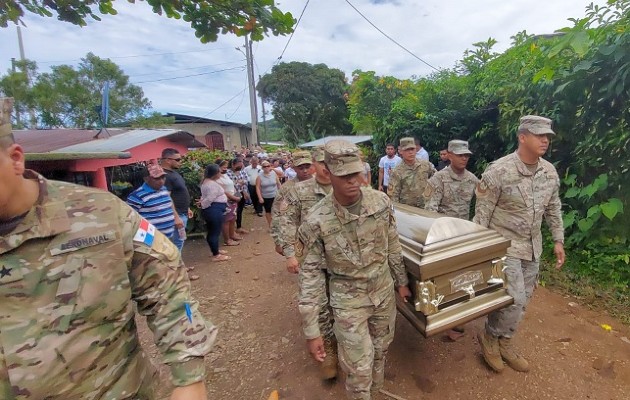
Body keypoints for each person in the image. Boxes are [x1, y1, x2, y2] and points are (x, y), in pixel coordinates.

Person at [0, 99, 216, 399]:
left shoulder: (101, 214)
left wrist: (189, 377)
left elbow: (171, 292)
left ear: (15, 159)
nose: (162, 176)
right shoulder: (136, 198)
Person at [296, 139, 411, 400]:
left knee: (380, 352)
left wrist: (401, 281)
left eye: (355, 173)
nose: (352, 181)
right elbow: (310, 277)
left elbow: (393, 244)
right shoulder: (316, 220)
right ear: (327, 173)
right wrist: (311, 330)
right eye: (344, 175)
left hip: (382, 294)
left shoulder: (380, 202)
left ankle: (375, 391)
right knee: (358, 366)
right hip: (348, 301)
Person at [473, 115, 565, 373]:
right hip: (504, 245)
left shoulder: (549, 172)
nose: (545, 140)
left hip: (533, 247)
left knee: (524, 300)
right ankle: (490, 337)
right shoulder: (499, 171)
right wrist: (479, 253)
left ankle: (505, 341)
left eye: (547, 136)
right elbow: (481, 216)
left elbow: (553, 208)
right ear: (522, 137)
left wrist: (558, 239)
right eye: (539, 135)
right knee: (513, 298)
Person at [270, 150, 313, 254]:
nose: (305, 170)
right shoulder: (286, 188)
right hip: (297, 237)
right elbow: (277, 214)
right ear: (293, 168)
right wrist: (278, 242)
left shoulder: (321, 184)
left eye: (308, 166)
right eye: (301, 168)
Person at [424, 140, 479, 220]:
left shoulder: (472, 179)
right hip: (442, 226)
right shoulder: (438, 178)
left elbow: (485, 202)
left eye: (466, 155)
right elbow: (430, 209)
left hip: (463, 227)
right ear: (450, 156)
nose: (464, 158)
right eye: (460, 155)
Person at [126, 163, 176, 239]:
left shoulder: (164, 189)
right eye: (157, 178)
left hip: (168, 237)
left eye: (163, 177)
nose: (161, 181)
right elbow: (129, 220)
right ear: (146, 179)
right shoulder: (136, 196)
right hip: (151, 240)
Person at [388, 137, 435, 208]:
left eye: (412, 149)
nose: (410, 152)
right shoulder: (397, 172)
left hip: (426, 208)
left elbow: (436, 180)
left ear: (416, 149)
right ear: (401, 151)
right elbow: (393, 197)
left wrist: (430, 194)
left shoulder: (426, 165)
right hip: (408, 212)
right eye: (407, 150)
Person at [161, 148, 193, 252]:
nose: (181, 162)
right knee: (176, 244)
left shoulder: (173, 173)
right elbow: (167, 198)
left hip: (182, 213)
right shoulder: (165, 176)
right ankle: (175, 267)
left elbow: (179, 192)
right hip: (176, 215)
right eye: (178, 160)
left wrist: (187, 208)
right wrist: (176, 217)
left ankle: (178, 266)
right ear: (168, 160)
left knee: (179, 242)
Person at [199, 163, 231, 262]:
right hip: (213, 210)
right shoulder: (211, 184)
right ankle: (216, 255)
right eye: (219, 172)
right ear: (215, 173)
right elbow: (209, 199)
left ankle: (215, 250)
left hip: (213, 209)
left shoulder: (207, 182)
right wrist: (203, 205)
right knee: (214, 232)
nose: (221, 174)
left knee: (213, 231)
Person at [217, 160, 242, 246]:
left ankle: (232, 234)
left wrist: (236, 196)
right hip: (226, 201)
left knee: (233, 218)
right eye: (223, 167)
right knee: (226, 220)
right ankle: (227, 240)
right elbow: (223, 191)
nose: (225, 169)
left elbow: (232, 185)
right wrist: (234, 197)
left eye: (226, 167)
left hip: (233, 199)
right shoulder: (217, 178)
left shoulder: (225, 175)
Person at [226, 157, 250, 235]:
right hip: (231, 194)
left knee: (239, 210)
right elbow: (230, 185)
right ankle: (231, 230)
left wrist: (245, 191)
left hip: (240, 192)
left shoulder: (242, 172)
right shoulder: (228, 173)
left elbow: (246, 181)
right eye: (238, 166)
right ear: (233, 165)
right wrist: (239, 183)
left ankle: (238, 227)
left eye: (241, 165)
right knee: (232, 211)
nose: (240, 167)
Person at [255, 160, 281, 229]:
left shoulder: (273, 173)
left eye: (268, 166)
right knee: (268, 211)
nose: (266, 167)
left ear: (270, 166)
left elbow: (278, 184)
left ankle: (277, 224)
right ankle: (271, 226)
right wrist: (260, 197)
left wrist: (282, 193)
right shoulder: (259, 176)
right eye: (264, 166)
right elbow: (257, 187)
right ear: (262, 168)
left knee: (277, 210)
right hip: (266, 196)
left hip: (275, 195)